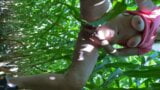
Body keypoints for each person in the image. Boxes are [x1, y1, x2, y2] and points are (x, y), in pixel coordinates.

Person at [0, 0, 159, 90]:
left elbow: (117, 54)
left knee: (75, 83)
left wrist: (103, 41)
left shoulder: (148, 47)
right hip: (101, 14)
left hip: (92, 40)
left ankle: (12, 83)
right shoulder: (154, 13)